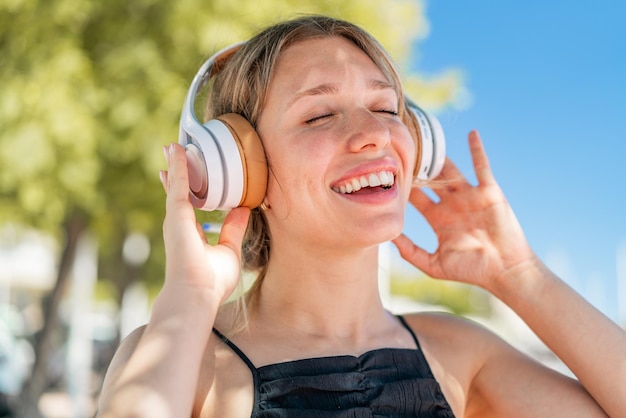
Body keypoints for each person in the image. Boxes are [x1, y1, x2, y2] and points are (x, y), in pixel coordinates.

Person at [96, 15, 626, 418]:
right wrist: (188, 299)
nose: (374, 133)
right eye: (319, 114)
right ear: (239, 167)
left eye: (387, 108)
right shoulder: (178, 352)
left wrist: (519, 276)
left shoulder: (461, 351)